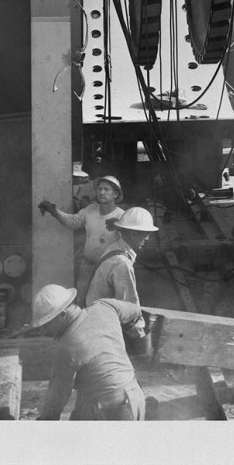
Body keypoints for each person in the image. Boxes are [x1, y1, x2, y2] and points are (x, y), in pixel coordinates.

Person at [31, 284, 146, 421]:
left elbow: (56, 398)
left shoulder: (66, 347)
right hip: (136, 396)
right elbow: (135, 311)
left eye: (47, 323)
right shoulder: (105, 307)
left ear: (62, 315)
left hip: (112, 411)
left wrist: (43, 424)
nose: (45, 330)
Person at [38, 175, 125, 304]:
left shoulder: (122, 216)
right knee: (81, 301)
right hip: (87, 266)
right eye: (100, 189)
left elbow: (130, 245)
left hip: (108, 270)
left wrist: (122, 227)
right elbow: (73, 222)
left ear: (116, 194)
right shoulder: (90, 211)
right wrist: (54, 211)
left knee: (103, 304)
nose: (102, 192)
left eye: (107, 189)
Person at [85, 206, 158, 349]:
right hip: (102, 327)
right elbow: (130, 308)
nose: (148, 238)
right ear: (132, 234)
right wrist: (142, 340)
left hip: (94, 315)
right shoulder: (122, 263)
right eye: (145, 233)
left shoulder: (114, 248)